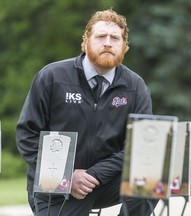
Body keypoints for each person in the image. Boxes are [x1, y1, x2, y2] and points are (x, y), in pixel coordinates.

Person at [16, 8, 158, 216]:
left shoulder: (135, 86)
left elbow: (141, 146)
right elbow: (27, 134)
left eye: (115, 38)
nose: (108, 42)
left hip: (106, 181)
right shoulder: (52, 77)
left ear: (124, 46)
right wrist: (68, 176)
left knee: (150, 176)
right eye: (101, 36)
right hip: (54, 184)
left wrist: (95, 174)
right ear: (86, 41)